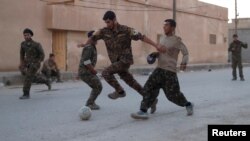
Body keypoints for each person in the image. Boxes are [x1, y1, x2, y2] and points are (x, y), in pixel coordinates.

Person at [78, 10, 165, 113]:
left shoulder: (126, 30)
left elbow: (142, 37)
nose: (107, 24)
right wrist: (85, 44)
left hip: (125, 60)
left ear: (114, 20)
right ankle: (152, 99)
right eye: (106, 22)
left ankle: (120, 91)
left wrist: (156, 45)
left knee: (106, 72)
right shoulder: (104, 32)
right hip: (117, 63)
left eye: (109, 22)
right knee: (132, 83)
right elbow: (93, 37)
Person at [131, 19, 193, 119]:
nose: (164, 27)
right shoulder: (162, 38)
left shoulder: (177, 40)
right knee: (148, 88)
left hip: (170, 71)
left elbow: (185, 52)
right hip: (159, 69)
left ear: (172, 27)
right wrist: (156, 54)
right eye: (164, 25)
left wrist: (184, 62)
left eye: (167, 25)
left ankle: (188, 104)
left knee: (173, 96)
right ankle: (143, 110)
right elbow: (162, 52)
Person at [19, 28, 51, 99]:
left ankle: (26, 94)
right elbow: (22, 55)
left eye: (27, 35)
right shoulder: (23, 44)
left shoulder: (36, 44)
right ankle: (46, 81)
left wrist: (39, 63)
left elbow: (42, 55)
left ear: (31, 35)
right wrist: (22, 64)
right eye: (24, 35)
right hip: (27, 63)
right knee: (31, 77)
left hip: (35, 63)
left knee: (28, 77)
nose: (26, 37)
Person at [78, 31, 102, 110]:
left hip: (86, 72)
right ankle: (89, 104)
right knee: (98, 86)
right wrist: (93, 71)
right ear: (92, 38)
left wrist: (83, 45)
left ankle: (91, 102)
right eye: (96, 37)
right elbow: (86, 61)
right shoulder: (89, 47)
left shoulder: (90, 46)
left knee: (96, 86)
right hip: (86, 72)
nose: (97, 38)